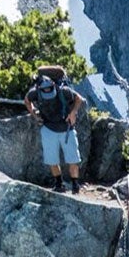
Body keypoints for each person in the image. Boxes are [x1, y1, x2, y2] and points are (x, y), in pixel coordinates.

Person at [25, 65, 85, 193]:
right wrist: (34, 114)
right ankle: (59, 184)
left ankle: (75, 185)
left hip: (67, 128)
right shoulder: (35, 93)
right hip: (48, 128)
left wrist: (73, 112)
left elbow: (78, 98)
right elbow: (27, 100)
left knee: (73, 159)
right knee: (52, 159)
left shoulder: (64, 91)